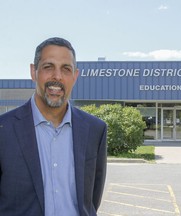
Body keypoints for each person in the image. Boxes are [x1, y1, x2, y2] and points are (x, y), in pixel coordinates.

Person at [0, 37, 107, 216]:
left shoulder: (95, 130)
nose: (57, 76)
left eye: (66, 69)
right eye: (48, 67)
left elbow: (91, 201)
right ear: (33, 72)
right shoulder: (4, 130)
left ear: (75, 76)